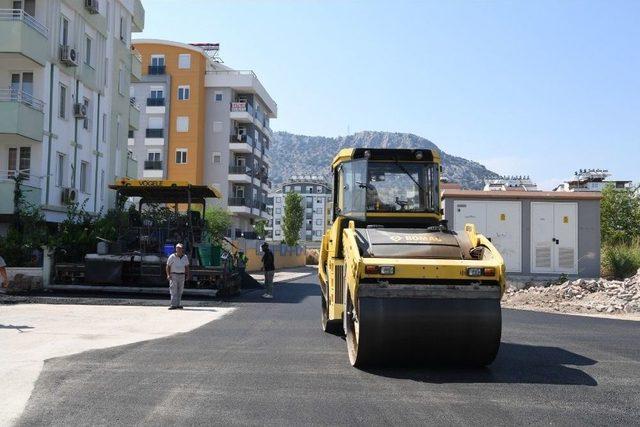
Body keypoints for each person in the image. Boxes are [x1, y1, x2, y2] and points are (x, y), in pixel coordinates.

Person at [166, 243, 190, 310]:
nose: (178, 250)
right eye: (177, 248)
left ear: (182, 249)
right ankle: (173, 304)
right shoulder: (172, 256)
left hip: (182, 275)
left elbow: (187, 267)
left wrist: (187, 275)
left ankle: (178, 304)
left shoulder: (185, 257)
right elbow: (168, 266)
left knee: (180, 290)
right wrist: (168, 275)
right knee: (173, 290)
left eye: (180, 248)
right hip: (174, 274)